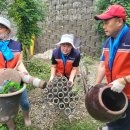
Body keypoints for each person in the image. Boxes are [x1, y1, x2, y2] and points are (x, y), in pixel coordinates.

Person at [0, 17, 46, 130]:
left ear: (7, 30)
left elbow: (19, 63)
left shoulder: (16, 45)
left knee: (24, 102)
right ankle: (10, 123)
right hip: (0, 81)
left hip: (16, 78)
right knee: (3, 105)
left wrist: (24, 72)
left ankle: (26, 117)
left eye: (0, 28)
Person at [95, 4, 130, 130]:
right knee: (113, 120)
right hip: (114, 91)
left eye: (106, 22)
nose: (103, 26)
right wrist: (96, 85)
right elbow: (102, 65)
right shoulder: (107, 42)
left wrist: (124, 80)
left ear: (119, 21)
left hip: (128, 95)